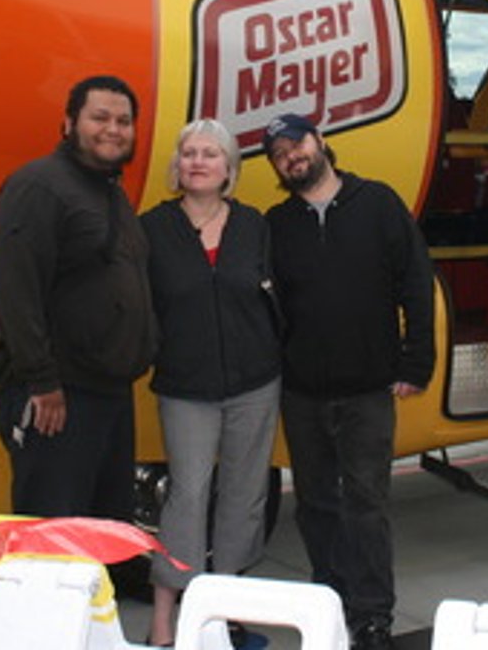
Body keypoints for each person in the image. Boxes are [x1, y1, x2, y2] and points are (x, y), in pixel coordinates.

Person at [262, 113, 435, 650]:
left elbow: (416, 282)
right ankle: (329, 602)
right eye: (279, 154)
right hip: (303, 392)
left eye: (297, 144)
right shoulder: (276, 223)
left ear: (320, 142)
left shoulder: (378, 204)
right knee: (315, 504)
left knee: (367, 505)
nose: (292, 156)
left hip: (368, 391)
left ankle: (373, 617)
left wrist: (416, 362)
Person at [0, 75, 157, 524]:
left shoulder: (109, 192)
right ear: (68, 123)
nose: (113, 129)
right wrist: (43, 383)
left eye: (123, 121)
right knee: (54, 535)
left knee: (102, 529)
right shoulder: (39, 186)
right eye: (100, 117)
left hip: (107, 395)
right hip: (58, 401)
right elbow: (14, 288)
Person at [140, 119, 282, 647]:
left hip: (256, 383)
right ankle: (164, 617)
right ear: (177, 167)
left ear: (229, 170)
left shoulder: (254, 225)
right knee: (188, 495)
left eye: (210, 154)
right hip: (185, 387)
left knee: (245, 497)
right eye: (189, 153)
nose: (198, 161)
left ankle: (226, 613)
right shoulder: (151, 227)